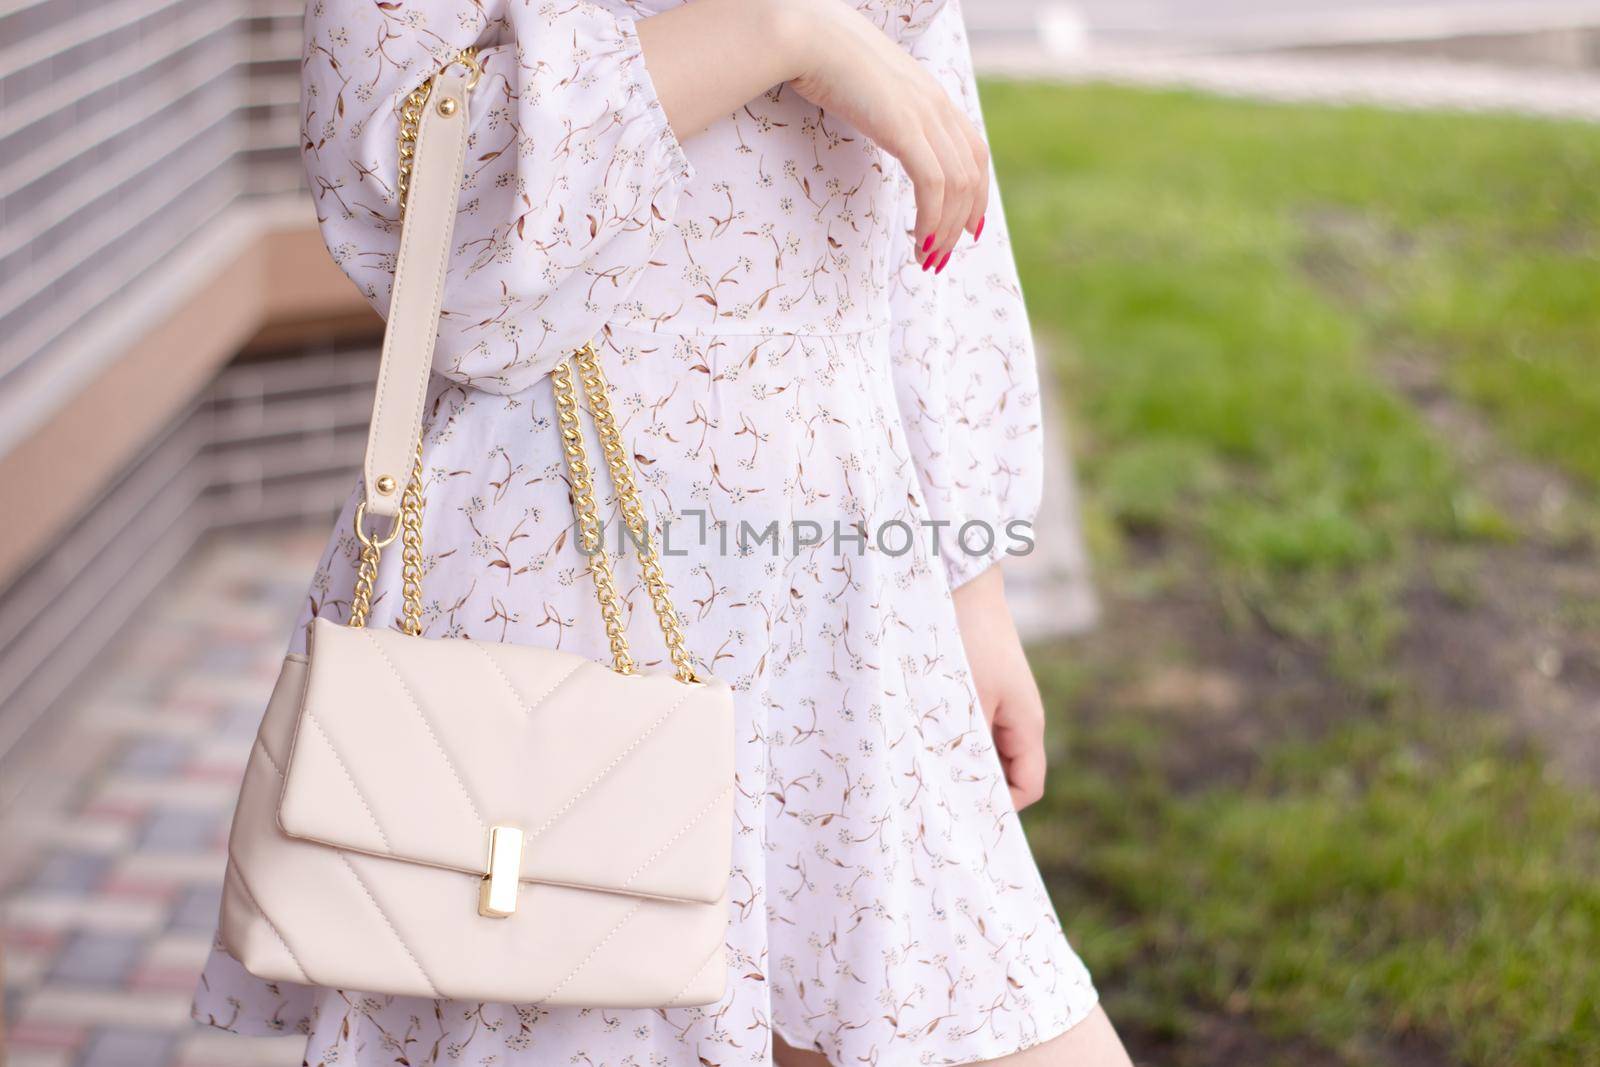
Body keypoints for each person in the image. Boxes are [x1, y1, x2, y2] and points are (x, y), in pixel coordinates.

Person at [192, 0, 1132, 1062]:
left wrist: (973, 580)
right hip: (561, 575)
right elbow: (425, 214)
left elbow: (936, 176)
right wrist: (776, 30)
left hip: (852, 598)